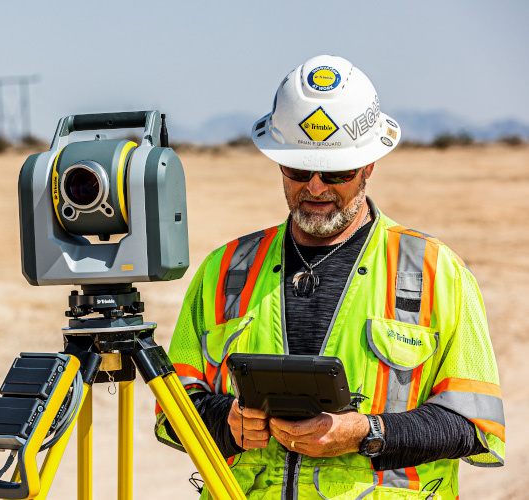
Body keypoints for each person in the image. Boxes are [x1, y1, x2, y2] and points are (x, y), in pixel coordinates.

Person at [155, 55, 504, 499]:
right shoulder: (224, 270)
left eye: (337, 172)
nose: (316, 187)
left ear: (370, 165)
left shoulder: (438, 272)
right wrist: (229, 422)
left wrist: (366, 432)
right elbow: (174, 409)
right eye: (298, 170)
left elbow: (475, 426)